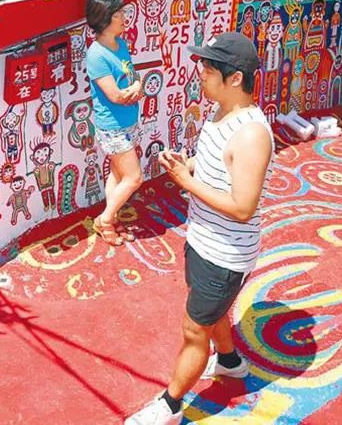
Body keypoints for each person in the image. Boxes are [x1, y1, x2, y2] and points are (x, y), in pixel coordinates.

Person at [126, 33, 273, 425]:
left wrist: (185, 182)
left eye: (208, 70)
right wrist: (187, 165)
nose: (201, 75)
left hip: (225, 254)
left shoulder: (252, 135)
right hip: (203, 239)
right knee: (212, 312)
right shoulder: (221, 112)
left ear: (235, 78)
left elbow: (243, 207)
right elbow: (217, 166)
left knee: (195, 331)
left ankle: (170, 405)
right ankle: (229, 361)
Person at [84, 0, 143, 246]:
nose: (124, 17)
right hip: (113, 126)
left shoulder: (121, 44)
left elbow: (132, 75)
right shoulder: (96, 55)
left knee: (118, 175)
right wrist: (133, 91)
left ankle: (112, 216)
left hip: (128, 120)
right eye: (119, 14)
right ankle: (105, 219)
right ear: (105, 18)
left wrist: (137, 85)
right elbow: (115, 95)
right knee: (134, 177)